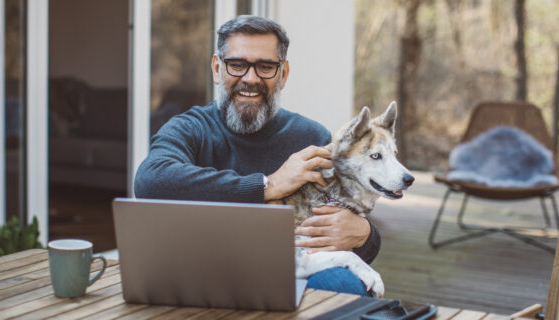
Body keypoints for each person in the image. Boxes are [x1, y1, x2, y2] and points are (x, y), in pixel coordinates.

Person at [134, 15, 380, 296]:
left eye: (265, 67)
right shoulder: (190, 128)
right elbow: (150, 180)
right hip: (203, 269)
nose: (250, 79)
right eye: (237, 65)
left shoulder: (313, 139)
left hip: (290, 272)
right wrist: (268, 185)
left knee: (345, 286)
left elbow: (349, 224)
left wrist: (364, 233)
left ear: (283, 74)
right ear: (217, 69)